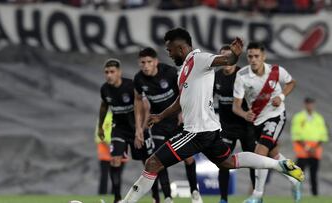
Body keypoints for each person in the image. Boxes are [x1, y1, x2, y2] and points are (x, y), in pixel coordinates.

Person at [119, 27, 304, 203]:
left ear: (181, 48)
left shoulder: (199, 59)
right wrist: (160, 116)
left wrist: (234, 55)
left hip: (196, 132)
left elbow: (226, 61)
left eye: (170, 50)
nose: (168, 54)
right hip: (208, 130)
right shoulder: (183, 70)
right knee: (229, 162)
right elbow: (180, 101)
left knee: (152, 163)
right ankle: (279, 165)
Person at [232, 42, 301, 203]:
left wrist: (281, 97)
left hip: (276, 116)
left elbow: (292, 82)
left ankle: (258, 195)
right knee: (274, 155)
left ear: (264, 57)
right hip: (256, 121)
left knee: (260, 152)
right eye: (250, 56)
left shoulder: (276, 71)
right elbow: (236, 106)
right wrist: (244, 114)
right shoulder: (242, 76)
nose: (253, 60)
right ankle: (294, 179)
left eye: (257, 56)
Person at [133, 47, 202, 203]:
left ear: (156, 62)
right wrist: (138, 128)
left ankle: (195, 193)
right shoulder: (139, 79)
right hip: (158, 122)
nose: (146, 65)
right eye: (142, 62)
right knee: (159, 160)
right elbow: (137, 101)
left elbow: (186, 90)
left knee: (189, 158)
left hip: (178, 120)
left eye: (149, 62)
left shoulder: (170, 72)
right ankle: (168, 198)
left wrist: (182, 111)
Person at [98, 59, 153, 203]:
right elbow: (104, 107)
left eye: (112, 72)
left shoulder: (131, 86)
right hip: (119, 129)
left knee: (148, 163)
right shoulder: (104, 89)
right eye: (106, 72)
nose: (109, 75)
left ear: (119, 73)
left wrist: (142, 127)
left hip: (137, 129)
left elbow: (145, 106)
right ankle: (117, 199)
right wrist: (100, 127)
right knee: (115, 160)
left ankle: (156, 197)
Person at [214, 45, 256, 203]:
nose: (225, 60)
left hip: (246, 127)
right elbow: (208, 100)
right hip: (226, 128)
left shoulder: (243, 75)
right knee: (223, 162)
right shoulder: (216, 77)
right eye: (222, 57)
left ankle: (256, 196)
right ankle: (223, 199)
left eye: (228, 56)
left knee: (253, 162)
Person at [291, 97, 329, 196]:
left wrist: (314, 148)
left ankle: (314, 196)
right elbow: (296, 134)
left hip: (315, 151)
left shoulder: (319, 118)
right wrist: (308, 147)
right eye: (308, 104)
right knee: (298, 174)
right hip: (302, 150)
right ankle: (296, 194)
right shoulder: (299, 117)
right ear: (305, 104)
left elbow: (323, 135)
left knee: (313, 175)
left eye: (312, 104)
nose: (310, 106)